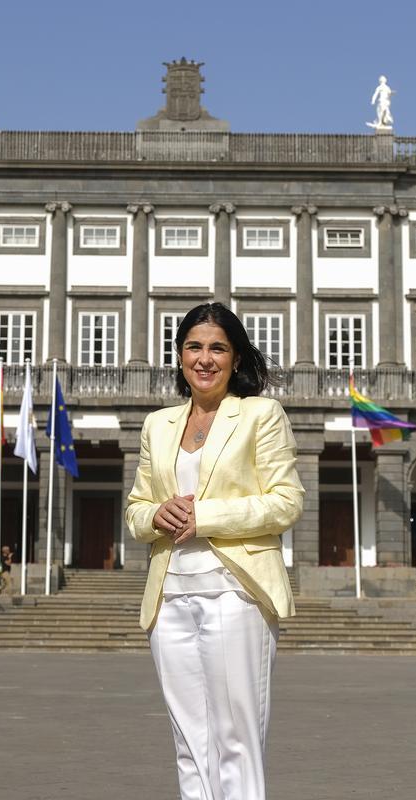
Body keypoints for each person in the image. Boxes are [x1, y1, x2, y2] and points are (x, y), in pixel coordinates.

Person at [126, 302, 304, 800]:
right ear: (180, 356)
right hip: (170, 599)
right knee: (189, 740)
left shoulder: (260, 414)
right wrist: (157, 515)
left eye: (217, 348)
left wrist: (202, 517)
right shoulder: (158, 425)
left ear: (236, 357)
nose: (205, 358)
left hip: (234, 594)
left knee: (236, 739)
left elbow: (286, 503)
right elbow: (137, 508)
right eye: (194, 347)